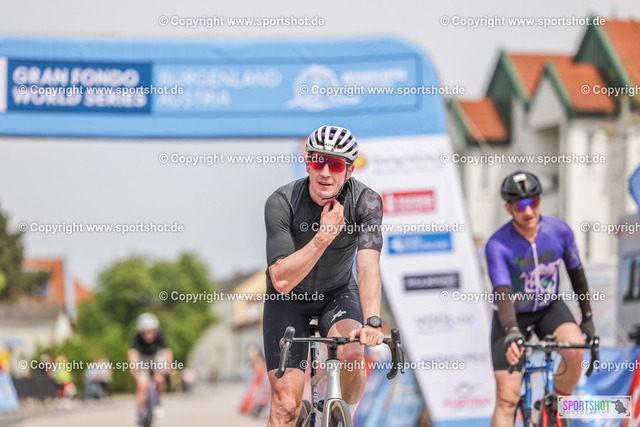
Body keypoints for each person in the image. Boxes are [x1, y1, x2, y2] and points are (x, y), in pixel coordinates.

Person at [264, 125, 385, 426]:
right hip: (288, 300)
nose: (326, 173)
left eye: (336, 164)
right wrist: (323, 237)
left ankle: (340, 418)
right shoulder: (281, 202)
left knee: (353, 354)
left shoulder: (366, 202)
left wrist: (372, 320)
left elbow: (368, 264)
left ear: (349, 170)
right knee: (285, 408)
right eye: (318, 161)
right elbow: (281, 280)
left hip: (337, 292)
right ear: (307, 163)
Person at [486, 171, 595, 426]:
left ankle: (554, 408)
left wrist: (587, 317)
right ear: (508, 208)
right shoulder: (497, 244)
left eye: (532, 202)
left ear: (540, 201)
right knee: (507, 397)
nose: (528, 211)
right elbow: (502, 290)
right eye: (520, 205)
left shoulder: (560, 231)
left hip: (548, 307)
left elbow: (577, 273)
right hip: (511, 314)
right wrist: (511, 330)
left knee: (575, 348)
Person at [128, 312, 173, 425]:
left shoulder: (159, 336)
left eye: (151, 331)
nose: (148, 334)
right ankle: (140, 410)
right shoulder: (137, 338)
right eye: (145, 332)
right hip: (143, 359)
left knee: (159, 379)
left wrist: (169, 366)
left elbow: (166, 351)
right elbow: (133, 352)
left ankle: (158, 401)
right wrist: (133, 366)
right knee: (142, 385)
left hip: (156, 358)